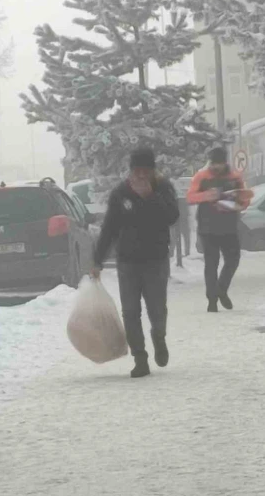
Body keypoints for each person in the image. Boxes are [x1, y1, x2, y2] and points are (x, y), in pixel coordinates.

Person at [92, 148, 180, 378]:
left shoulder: (163, 189)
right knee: (130, 312)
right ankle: (140, 358)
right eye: (136, 171)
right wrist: (97, 259)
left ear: (153, 172)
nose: (140, 176)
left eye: (145, 172)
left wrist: (150, 196)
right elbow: (109, 228)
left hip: (156, 260)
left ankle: (159, 339)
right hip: (128, 262)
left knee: (157, 309)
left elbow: (172, 216)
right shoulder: (120, 193)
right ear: (130, 171)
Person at [187, 147, 253, 312]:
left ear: (225, 162)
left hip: (229, 226)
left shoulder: (235, 177)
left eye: (220, 164)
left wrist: (241, 201)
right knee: (211, 264)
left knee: (233, 260)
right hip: (207, 227)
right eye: (214, 164)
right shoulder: (201, 177)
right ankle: (212, 300)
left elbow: (244, 200)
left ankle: (221, 289)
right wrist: (205, 196)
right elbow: (190, 197)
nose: (217, 167)